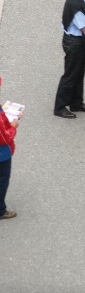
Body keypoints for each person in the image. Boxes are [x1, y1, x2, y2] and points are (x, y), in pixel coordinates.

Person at [0, 77, 20, 220]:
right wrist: (13, 126)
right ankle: (0, 210)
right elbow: (5, 137)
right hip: (1, 155)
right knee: (2, 181)